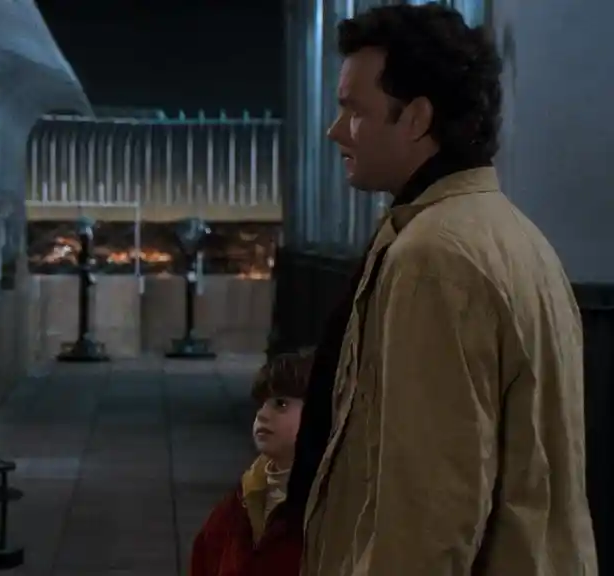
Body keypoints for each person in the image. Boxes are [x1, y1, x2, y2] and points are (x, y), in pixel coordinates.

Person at [283, 4, 598, 575]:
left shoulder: (434, 258)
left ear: (416, 117)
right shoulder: (513, 235)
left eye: (354, 110)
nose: (335, 131)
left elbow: (428, 519)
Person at [190, 350, 313, 576]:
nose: (262, 415)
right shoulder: (242, 498)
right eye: (261, 404)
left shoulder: (327, 503)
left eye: (281, 404)